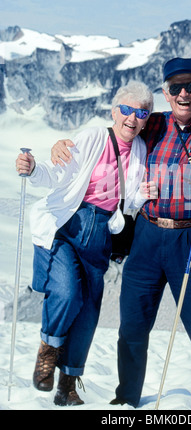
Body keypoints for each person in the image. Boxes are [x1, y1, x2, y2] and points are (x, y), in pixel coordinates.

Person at [51, 58, 191, 410]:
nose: (183, 93)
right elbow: (114, 135)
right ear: (165, 93)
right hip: (147, 237)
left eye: (190, 86)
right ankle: (126, 400)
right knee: (132, 327)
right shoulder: (152, 125)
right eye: (175, 87)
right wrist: (65, 144)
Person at [15, 80, 156, 406]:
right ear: (113, 110)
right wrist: (34, 168)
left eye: (142, 113)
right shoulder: (93, 137)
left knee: (89, 310)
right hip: (67, 227)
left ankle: (68, 384)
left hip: (100, 236)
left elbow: (128, 198)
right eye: (127, 110)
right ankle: (47, 351)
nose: (132, 118)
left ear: (147, 118)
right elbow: (55, 174)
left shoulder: (140, 150)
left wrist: (145, 194)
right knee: (66, 292)